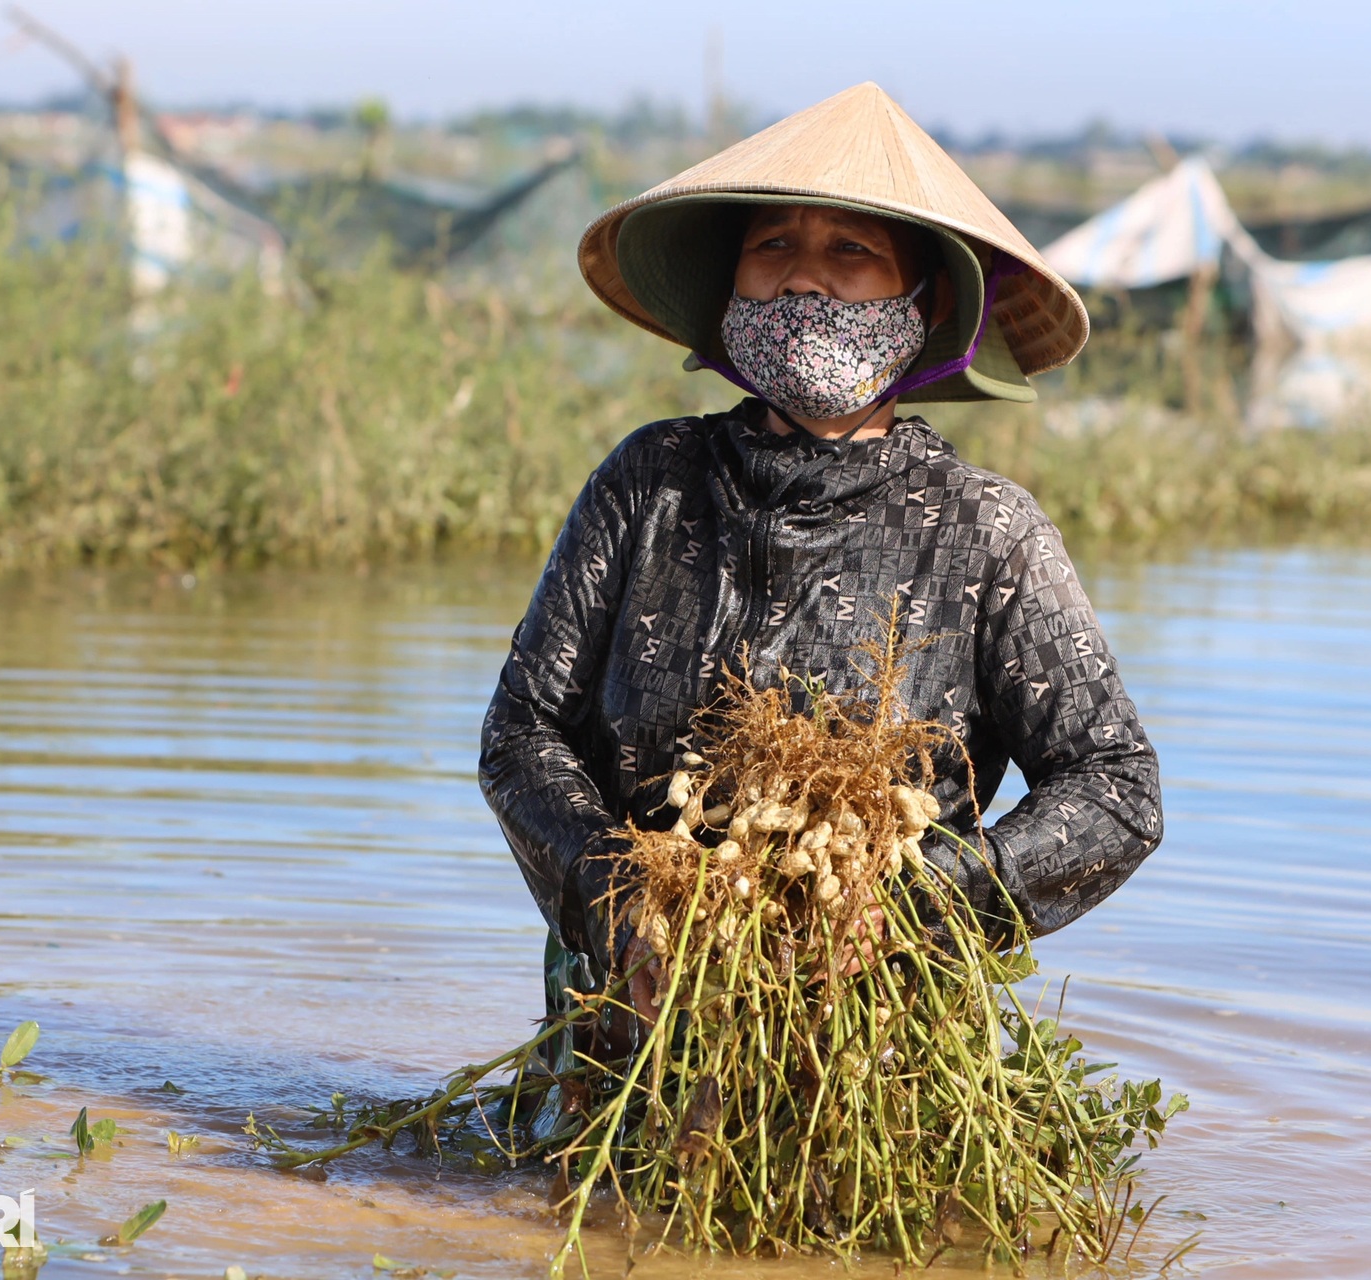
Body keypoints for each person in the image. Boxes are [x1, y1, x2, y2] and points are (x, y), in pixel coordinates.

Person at [479, 84, 1162, 1027]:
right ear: (732, 289)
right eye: (774, 247)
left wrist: (918, 902)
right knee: (584, 1181)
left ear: (922, 306)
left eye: (852, 251)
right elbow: (520, 734)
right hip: (627, 1020)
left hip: (884, 1039)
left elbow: (1117, 788)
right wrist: (621, 900)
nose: (805, 279)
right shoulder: (650, 482)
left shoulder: (986, 532)